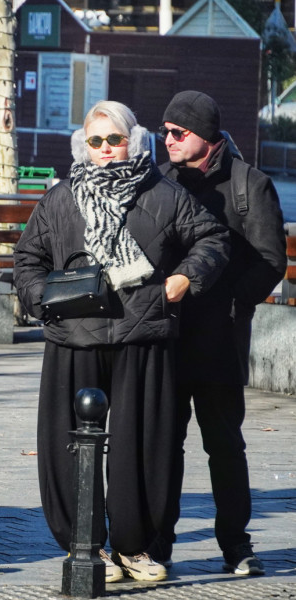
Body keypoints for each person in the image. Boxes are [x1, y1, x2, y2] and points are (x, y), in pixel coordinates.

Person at [14, 100, 230, 583]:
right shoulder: (60, 198)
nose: (106, 148)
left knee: (145, 445)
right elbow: (27, 259)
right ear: (84, 145)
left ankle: (134, 546)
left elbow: (213, 239)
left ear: (132, 141)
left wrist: (183, 279)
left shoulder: (165, 193)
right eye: (96, 140)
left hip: (143, 333)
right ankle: (86, 545)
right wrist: (43, 298)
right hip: (73, 335)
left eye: (115, 139)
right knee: (67, 445)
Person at [158, 90, 287, 576]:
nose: (168, 139)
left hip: (220, 341)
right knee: (164, 445)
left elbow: (271, 260)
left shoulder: (249, 184)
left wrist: (233, 303)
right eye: (164, 131)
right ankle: (158, 542)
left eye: (178, 132)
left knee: (225, 445)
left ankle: (236, 544)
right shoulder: (162, 179)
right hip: (168, 335)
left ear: (205, 135)